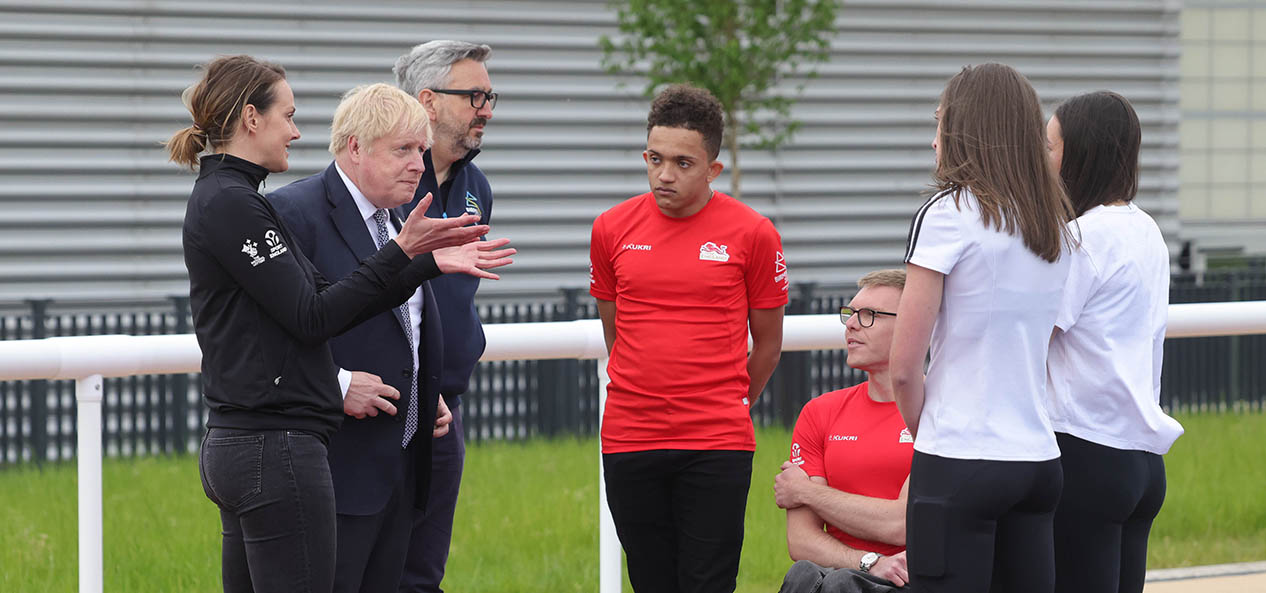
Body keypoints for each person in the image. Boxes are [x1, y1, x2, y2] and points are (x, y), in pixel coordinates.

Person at [169, 56, 488, 593]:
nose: (296, 131)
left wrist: (417, 263)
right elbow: (313, 316)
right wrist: (406, 255)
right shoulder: (235, 203)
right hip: (273, 445)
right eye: (287, 115)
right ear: (251, 118)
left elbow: (319, 300)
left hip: (264, 442)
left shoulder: (239, 199)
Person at [268, 83, 514, 593]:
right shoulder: (294, 213)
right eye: (403, 150)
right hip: (335, 466)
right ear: (355, 147)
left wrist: (427, 394)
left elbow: (412, 326)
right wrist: (335, 385)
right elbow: (269, 334)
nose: (418, 165)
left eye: (421, 150)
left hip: (406, 460)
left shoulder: (406, 218)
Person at [589, 83, 789, 593]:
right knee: (651, 582)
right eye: (655, 159)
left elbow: (767, 343)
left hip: (716, 440)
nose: (664, 175)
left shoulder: (754, 233)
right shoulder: (610, 229)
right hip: (630, 437)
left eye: (682, 163)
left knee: (708, 583)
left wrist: (728, 401)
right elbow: (615, 329)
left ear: (713, 168)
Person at [889, 63, 1075, 593]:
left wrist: (932, 438)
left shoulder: (946, 214)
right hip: (1038, 462)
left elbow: (903, 367)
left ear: (968, 130)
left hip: (960, 455)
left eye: (941, 122)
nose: (933, 140)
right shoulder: (1052, 224)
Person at [1044, 91, 1183, 593]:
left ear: (1080, 155)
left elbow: (1033, 340)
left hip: (1085, 453)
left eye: (1050, 146)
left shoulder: (1082, 238)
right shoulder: (1147, 230)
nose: (1043, 159)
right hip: (1141, 463)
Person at [392, 39, 498, 593]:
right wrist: (412, 380)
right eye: (474, 94)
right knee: (367, 568)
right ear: (428, 101)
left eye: (490, 95)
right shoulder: (385, 184)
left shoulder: (475, 184)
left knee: (423, 576)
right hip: (386, 407)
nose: (485, 107)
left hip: (444, 411)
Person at [775, 269, 914, 593]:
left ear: (914, 323)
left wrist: (806, 492)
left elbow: (900, 525)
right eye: (851, 314)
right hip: (843, 577)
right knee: (805, 576)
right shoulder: (820, 412)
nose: (851, 324)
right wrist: (869, 561)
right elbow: (801, 540)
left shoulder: (939, 412)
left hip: (908, 579)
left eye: (869, 316)